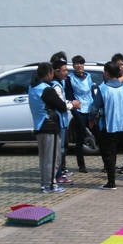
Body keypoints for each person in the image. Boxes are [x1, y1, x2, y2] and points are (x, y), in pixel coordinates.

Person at [28, 62, 80, 193]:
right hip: (49, 126)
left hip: (39, 126)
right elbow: (61, 106)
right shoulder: (46, 89)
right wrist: (73, 104)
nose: (53, 75)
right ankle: (51, 185)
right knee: (52, 158)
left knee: (44, 158)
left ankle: (44, 183)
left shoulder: (32, 87)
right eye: (51, 72)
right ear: (47, 74)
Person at [92, 61, 123, 189]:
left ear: (106, 73)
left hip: (109, 126)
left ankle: (111, 182)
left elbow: (95, 107)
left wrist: (92, 119)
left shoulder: (103, 89)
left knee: (109, 155)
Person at [49, 52, 74, 185]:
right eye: (64, 70)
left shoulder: (60, 83)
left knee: (62, 149)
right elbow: (61, 105)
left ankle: (60, 173)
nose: (67, 73)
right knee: (59, 150)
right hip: (59, 121)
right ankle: (57, 175)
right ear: (57, 71)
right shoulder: (56, 85)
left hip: (63, 121)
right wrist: (72, 104)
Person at [68, 54, 94, 173]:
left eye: (81, 63)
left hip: (90, 109)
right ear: (73, 66)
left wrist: (95, 109)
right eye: (76, 64)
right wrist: (75, 112)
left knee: (98, 136)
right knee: (80, 139)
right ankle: (81, 165)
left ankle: (106, 164)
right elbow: (69, 96)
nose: (79, 66)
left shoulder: (88, 76)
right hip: (79, 110)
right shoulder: (70, 78)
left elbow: (91, 93)